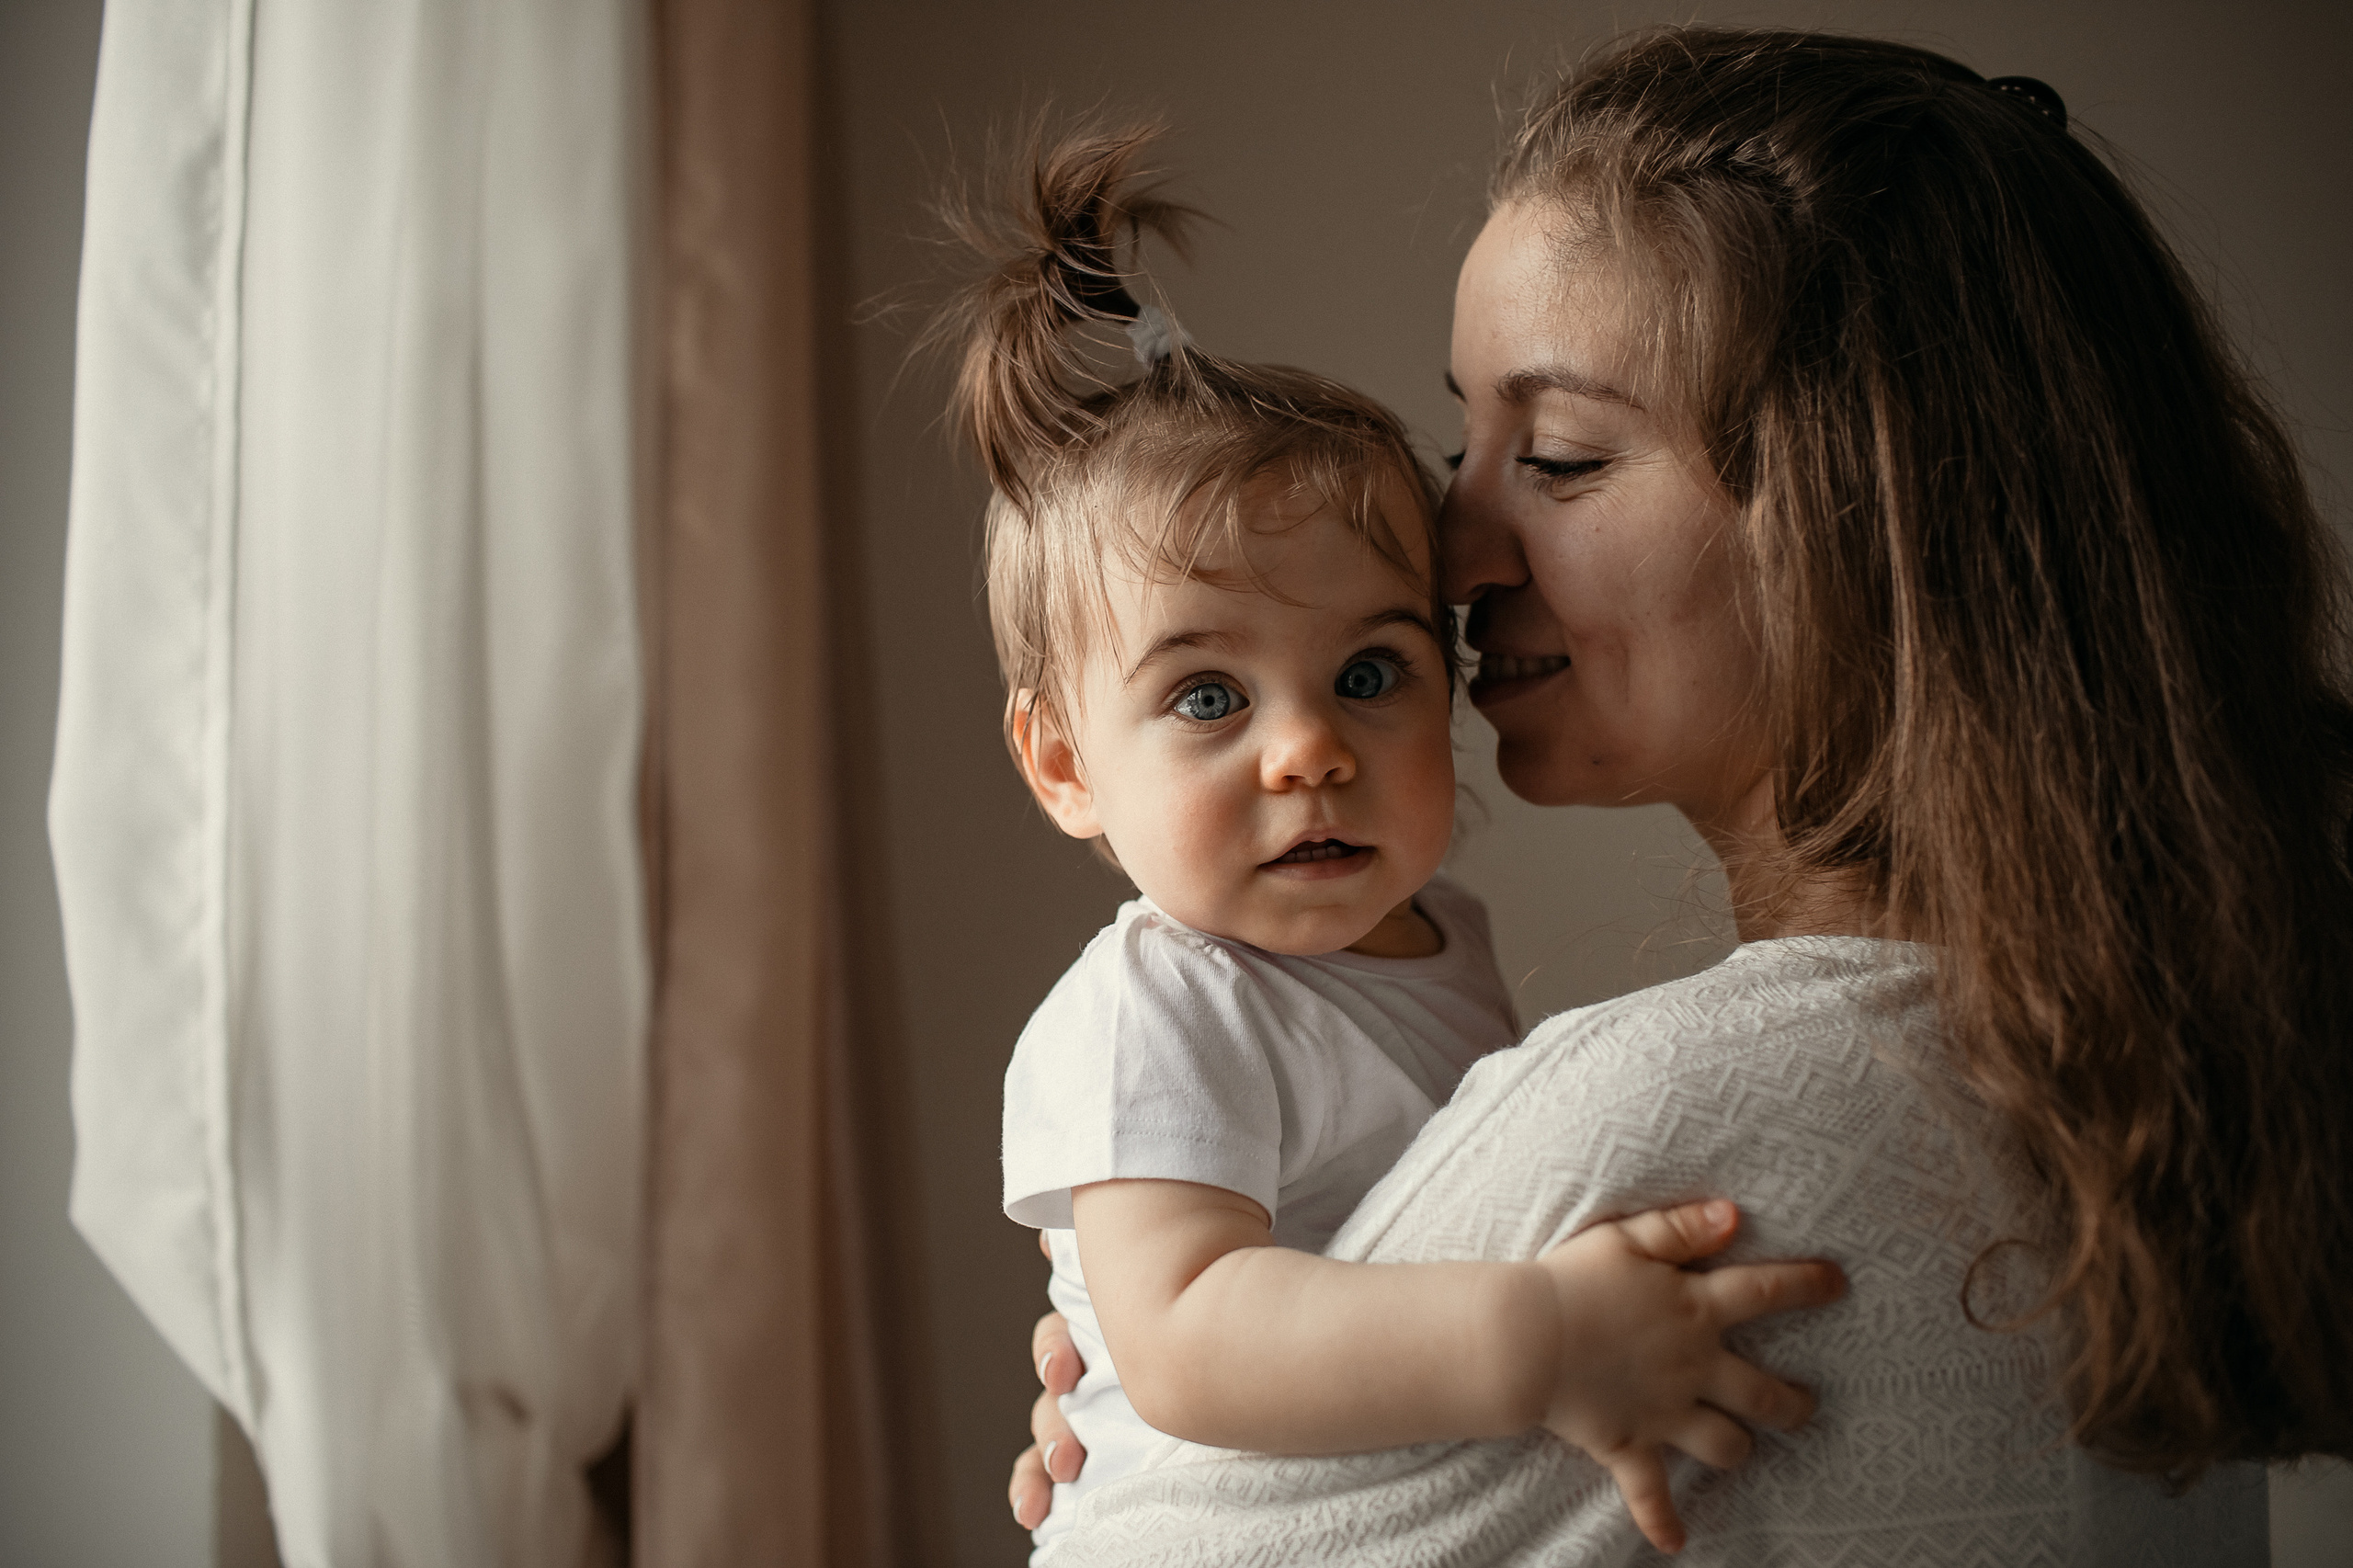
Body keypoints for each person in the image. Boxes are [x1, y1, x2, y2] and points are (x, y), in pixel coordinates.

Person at [1008, 28, 2353, 1562]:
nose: (1450, 553)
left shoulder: (1680, 1118)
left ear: (1859, 515)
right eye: (1464, 443)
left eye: (1562, 457)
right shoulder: (2139, 1065)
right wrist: (1163, 1358)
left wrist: (1143, 1464)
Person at [946, 126, 1847, 1560]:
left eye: (1369, 671)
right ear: (1063, 762)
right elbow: (1187, 1340)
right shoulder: (1155, 1005)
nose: (1308, 747)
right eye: (1208, 696)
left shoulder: (1445, 936)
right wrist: (1547, 1336)